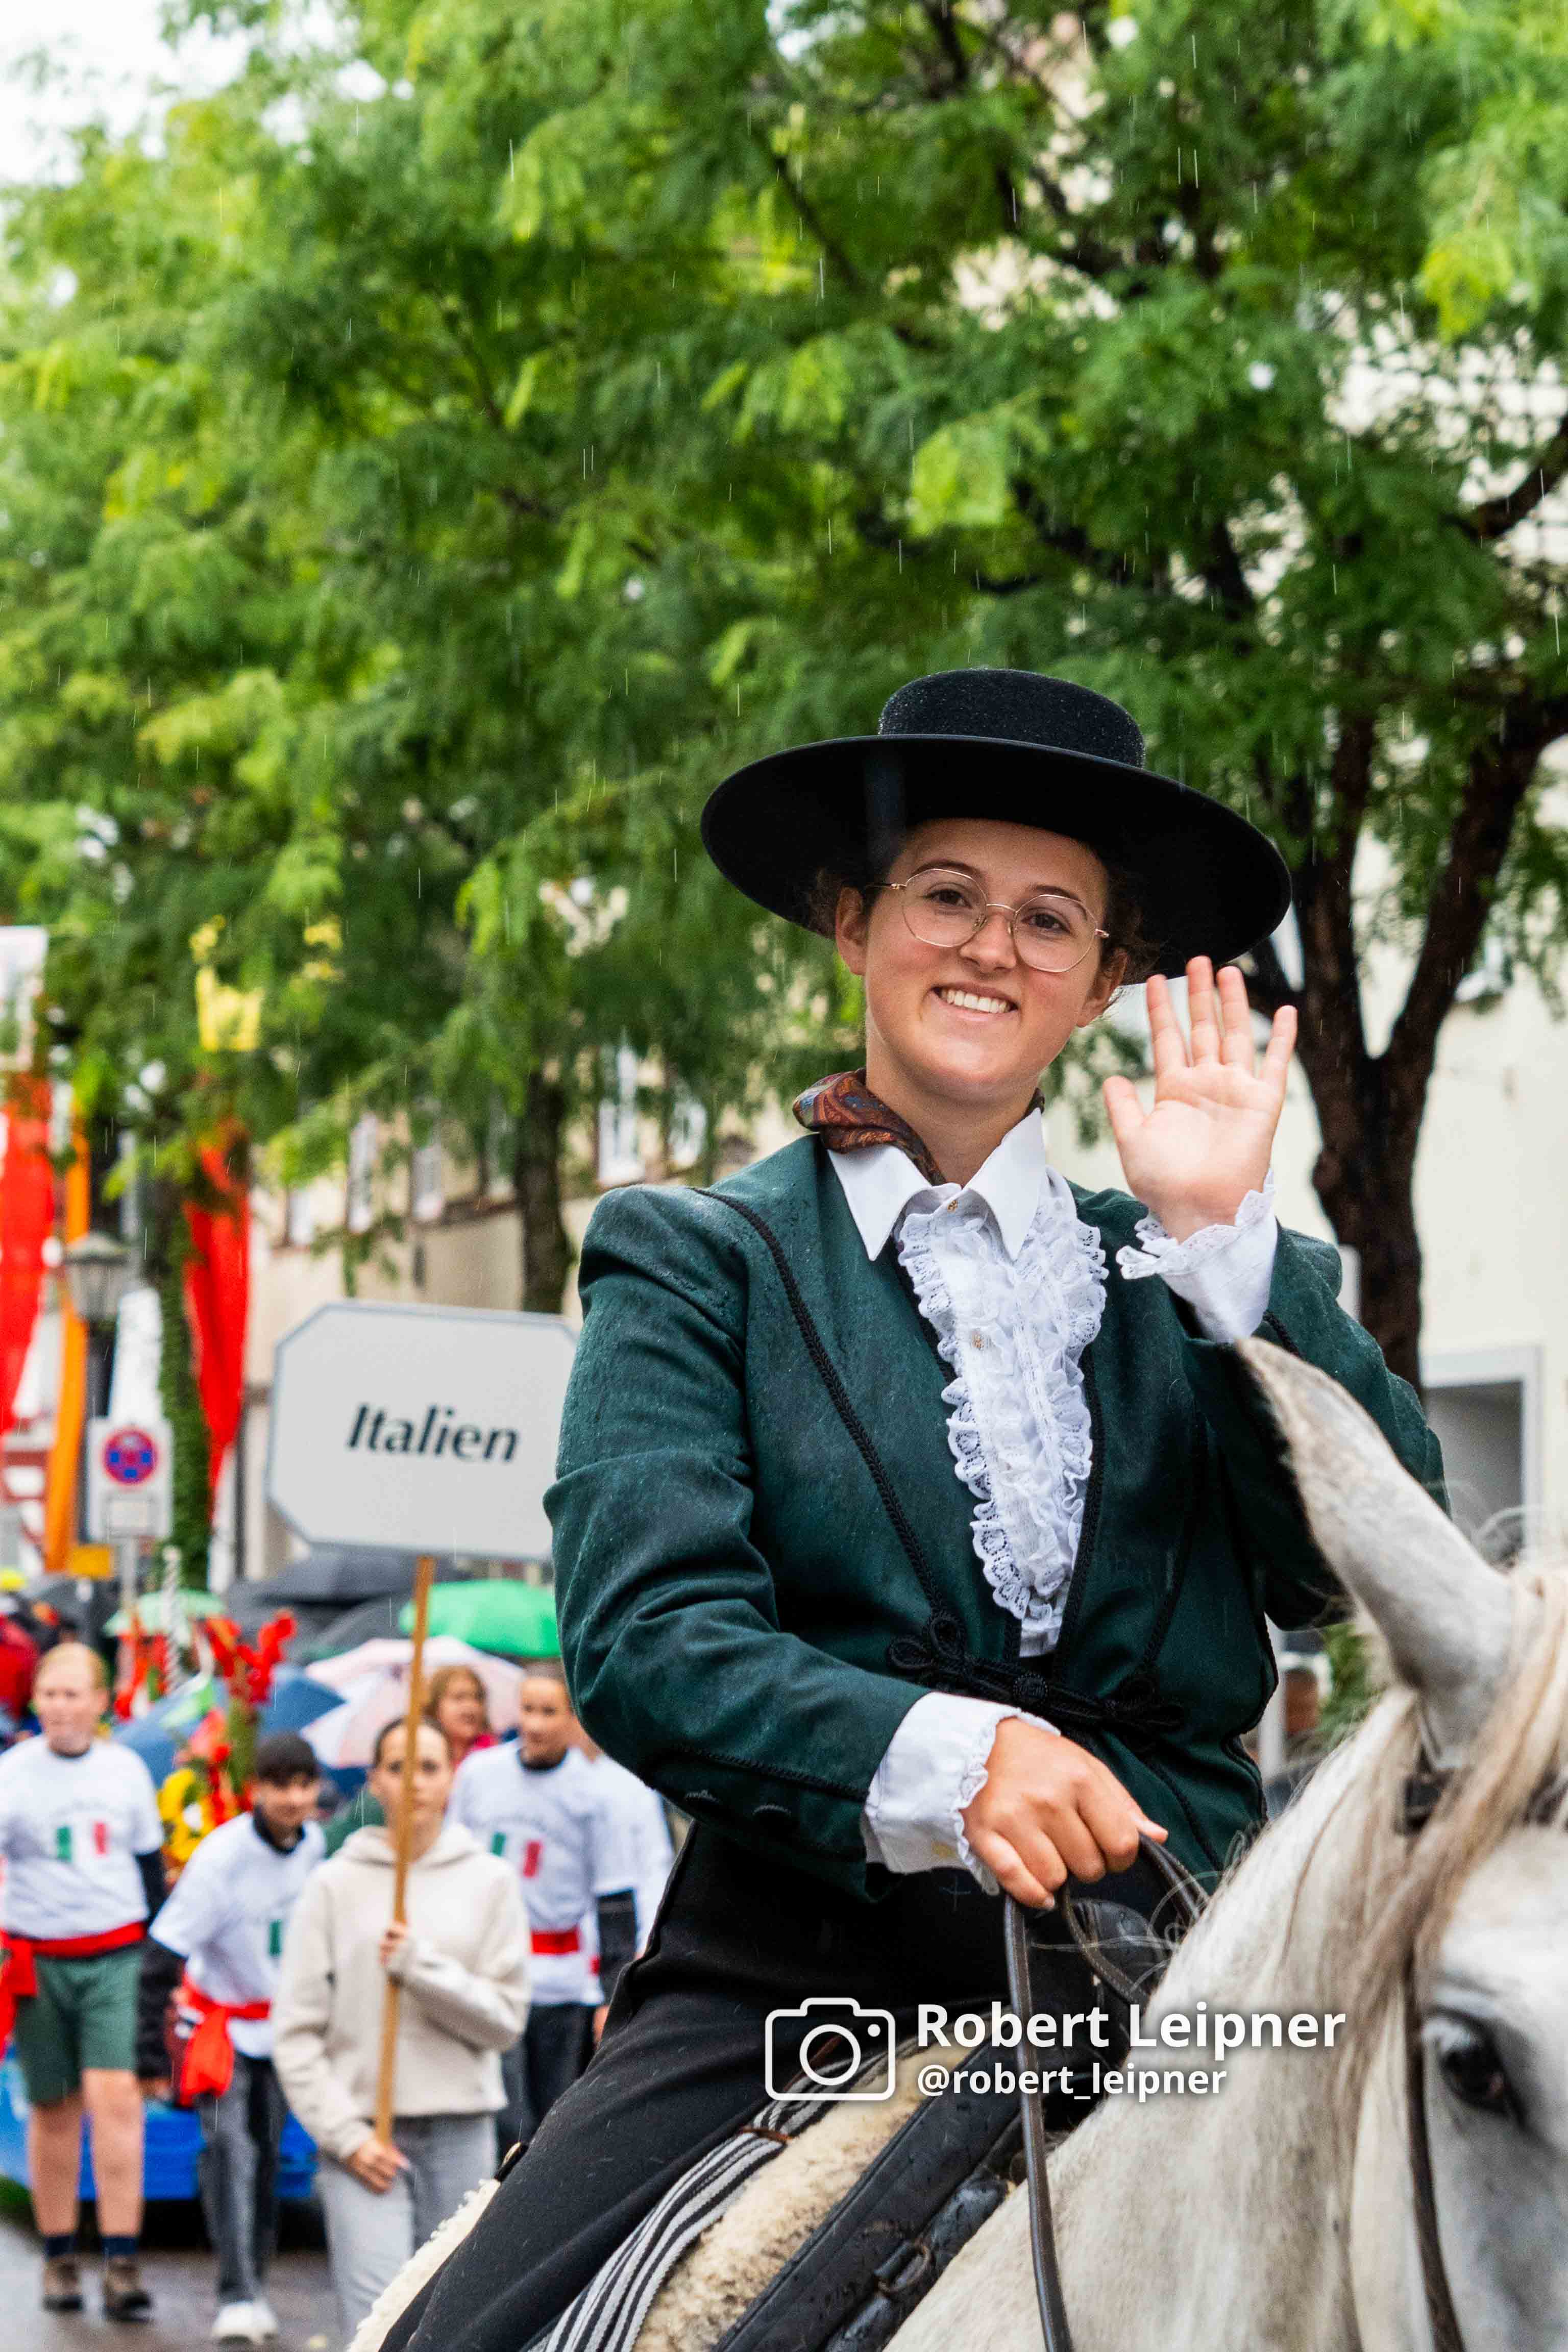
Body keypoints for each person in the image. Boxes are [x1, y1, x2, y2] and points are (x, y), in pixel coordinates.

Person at [381, 666, 1444, 2352]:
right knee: (480, 2332)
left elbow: (1365, 1573)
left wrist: (1222, 1248)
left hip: (1195, 1971)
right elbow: (651, 1642)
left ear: (1106, 978)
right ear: (853, 921)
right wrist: (958, 1758)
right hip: (802, 1976)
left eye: (1050, 919)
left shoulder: (1205, 1263)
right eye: (946, 894)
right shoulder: (695, 1257)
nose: (991, 946)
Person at [272, 1717, 528, 2344]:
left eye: (429, 1767)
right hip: (365, 2138)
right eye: (398, 1766)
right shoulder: (333, 1884)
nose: (414, 1782)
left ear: (452, 1778)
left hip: (460, 2129)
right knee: (377, 2322)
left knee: (455, 2318)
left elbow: (504, 2022)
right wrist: (345, 2135)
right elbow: (296, 2033)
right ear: (375, 1781)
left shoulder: (490, 1881)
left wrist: (421, 1967)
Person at [135, 1732, 326, 2345]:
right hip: (222, 2030)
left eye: (304, 1786)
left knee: (268, 2157)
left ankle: (258, 2284)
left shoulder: (314, 1847)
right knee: (229, 2151)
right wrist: (148, 2054)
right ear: (257, 1790)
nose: (293, 1800)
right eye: (280, 1786)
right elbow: (163, 1955)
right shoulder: (221, 1859)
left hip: (282, 2028)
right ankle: (235, 2292)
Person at [0, 1641, 165, 2320]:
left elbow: (151, 1869)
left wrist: (162, 1965)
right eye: (49, 1694)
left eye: (73, 1694)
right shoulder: (14, 1773)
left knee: (115, 2097)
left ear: (100, 1702)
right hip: (39, 1958)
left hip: (116, 1955)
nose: (60, 1707)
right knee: (55, 2108)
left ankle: (122, 2259)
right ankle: (59, 2254)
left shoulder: (125, 1771)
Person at [448, 1665, 635, 2155]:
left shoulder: (595, 1795)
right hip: (489, 1972)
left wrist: (611, 1995)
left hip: (560, 1981)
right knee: (503, 2116)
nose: (534, 1724)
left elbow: (615, 1901)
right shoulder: (479, 1775)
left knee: (552, 2116)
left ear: (573, 1719)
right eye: (527, 1709)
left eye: (549, 1712)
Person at [424, 1665, 493, 1774]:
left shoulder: (494, 1757)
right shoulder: (418, 1756)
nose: (472, 1706)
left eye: (477, 1698)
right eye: (459, 1697)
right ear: (435, 1707)